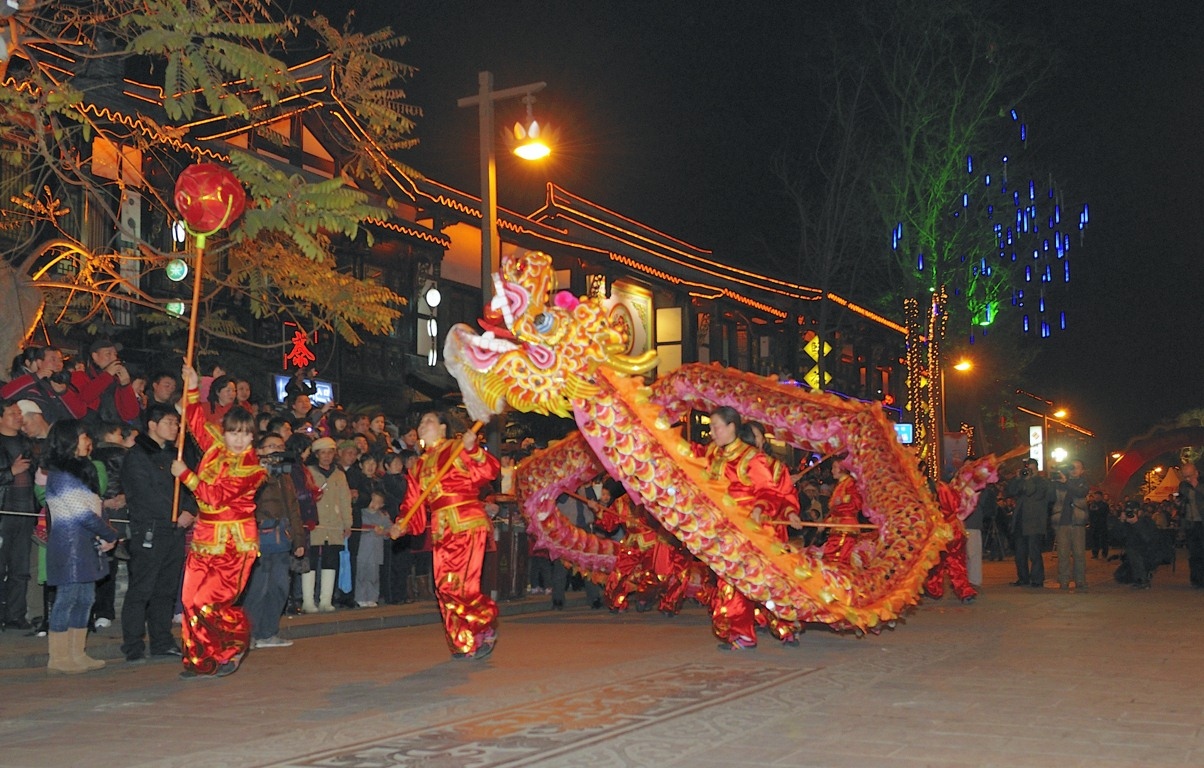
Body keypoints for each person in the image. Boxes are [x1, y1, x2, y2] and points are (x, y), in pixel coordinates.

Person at [171, 363, 267, 679]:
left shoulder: (251, 469)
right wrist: (193, 386)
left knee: (209, 602)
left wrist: (185, 474)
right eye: (233, 433)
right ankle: (201, 659)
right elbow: (196, 420)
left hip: (233, 546)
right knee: (189, 600)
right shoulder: (215, 447)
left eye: (245, 435)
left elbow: (213, 497)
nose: (238, 441)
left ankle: (233, 644)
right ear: (224, 431)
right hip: (203, 540)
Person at [392, 411, 499, 660]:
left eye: (427, 420)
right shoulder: (417, 465)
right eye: (419, 422)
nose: (421, 425)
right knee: (443, 587)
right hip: (442, 529)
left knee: (462, 586)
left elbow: (488, 472)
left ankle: (483, 623)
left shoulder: (456, 447)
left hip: (466, 522)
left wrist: (473, 451)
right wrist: (402, 524)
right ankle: (461, 640)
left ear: (442, 428)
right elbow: (413, 505)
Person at [697, 406, 799, 651]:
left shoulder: (752, 458)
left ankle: (785, 624)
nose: (712, 433)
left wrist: (760, 508)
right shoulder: (712, 453)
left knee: (764, 580)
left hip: (751, 529)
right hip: (723, 528)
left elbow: (769, 491)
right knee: (730, 581)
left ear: (732, 427)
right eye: (710, 428)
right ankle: (741, 633)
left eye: (716, 427)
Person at [120, 403, 196, 663]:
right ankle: (132, 644)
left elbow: (187, 486)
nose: (175, 428)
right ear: (152, 425)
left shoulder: (175, 455)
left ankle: (162, 640)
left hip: (175, 530)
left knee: (166, 588)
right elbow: (145, 494)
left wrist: (188, 510)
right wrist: (174, 514)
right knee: (142, 588)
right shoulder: (137, 456)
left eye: (176, 423)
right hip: (151, 528)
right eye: (169, 422)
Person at [42, 419, 119, 673]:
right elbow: (82, 514)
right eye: (84, 436)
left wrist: (105, 533)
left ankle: (77, 653)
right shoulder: (61, 475)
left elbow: (95, 506)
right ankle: (59, 657)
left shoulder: (81, 470)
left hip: (85, 544)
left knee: (86, 598)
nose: (89, 441)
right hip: (69, 546)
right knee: (67, 598)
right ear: (69, 441)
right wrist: (109, 534)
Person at [244, 433, 305, 648]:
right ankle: (248, 635)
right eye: (271, 446)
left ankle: (268, 633)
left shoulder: (285, 476)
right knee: (257, 588)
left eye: (280, 446)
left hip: (282, 538)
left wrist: (299, 540)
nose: (276, 450)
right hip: (259, 536)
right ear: (259, 449)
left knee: (279, 587)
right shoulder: (251, 471)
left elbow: (293, 509)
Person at [0, 398, 36, 631]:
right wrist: (10, 472)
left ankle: (16, 615)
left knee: (20, 567)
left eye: (19, 412)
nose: (18, 416)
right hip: (3, 511)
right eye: (13, 412)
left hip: (25, 512)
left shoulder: (27, 443)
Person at [304, 436, 351, 613]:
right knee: (311, 559)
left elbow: (345, 500)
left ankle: (326, 600)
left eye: (330, 453)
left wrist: (348, 523)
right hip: (314, 523)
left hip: (334, 523)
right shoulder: (308, 472)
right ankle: (308, 601)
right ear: (316, 455)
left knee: (331, 560)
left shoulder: (339, 474)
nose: (326, 456)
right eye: (323, 453)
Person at [1006, 459, 1051, 588]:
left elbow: (1032, 491)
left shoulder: (1042, 482)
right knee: (1020, 554)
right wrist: (1017, 477)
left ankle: (1037, 579)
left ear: (1036, 469)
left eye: (1030, 469)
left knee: (1034, 552)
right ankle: (1023, 578)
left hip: (1034, 523)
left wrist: (1029, 479)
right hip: (1020, 522)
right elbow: (1011, 491)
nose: (1028, 472)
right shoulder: (1022, 480)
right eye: (1027, 469)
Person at [1050, 460, 1090, 591]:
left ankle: (1080, 581)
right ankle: (1064, 581)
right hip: (1062, 522)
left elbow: (1080, 492)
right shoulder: (1059, 483)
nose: (1074, 470)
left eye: (1077, 468)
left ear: (1082, 470)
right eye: (1071, 467)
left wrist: (1066, 482)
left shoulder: (1083, 483)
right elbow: (1051, 496)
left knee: (1079, 554)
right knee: (1063, 554)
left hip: (1078, 523)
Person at [355, 489, 390, 607]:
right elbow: (358, 527)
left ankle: (372, 597)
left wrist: (383, 532)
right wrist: (371, 528)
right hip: (363, 549)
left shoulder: (383, 517)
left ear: (382, 505)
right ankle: (360, 597)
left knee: (374, 575)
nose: (374, 504)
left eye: (378, 502)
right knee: (361, 574)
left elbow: (390, 530)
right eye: (373, 501)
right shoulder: (361, 513)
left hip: (376, 551)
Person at [1177, 462, 1204, 588]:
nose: (1187, 479)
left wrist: (1197, 486)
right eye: (1185, 476)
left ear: (1196, 473)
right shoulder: (1183, 485)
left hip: (1201, 521)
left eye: (1189, 475)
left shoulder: (1202, 482)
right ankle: (1196, 579)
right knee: (1194, 552)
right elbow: (1182, 496)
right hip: (1190, 523)